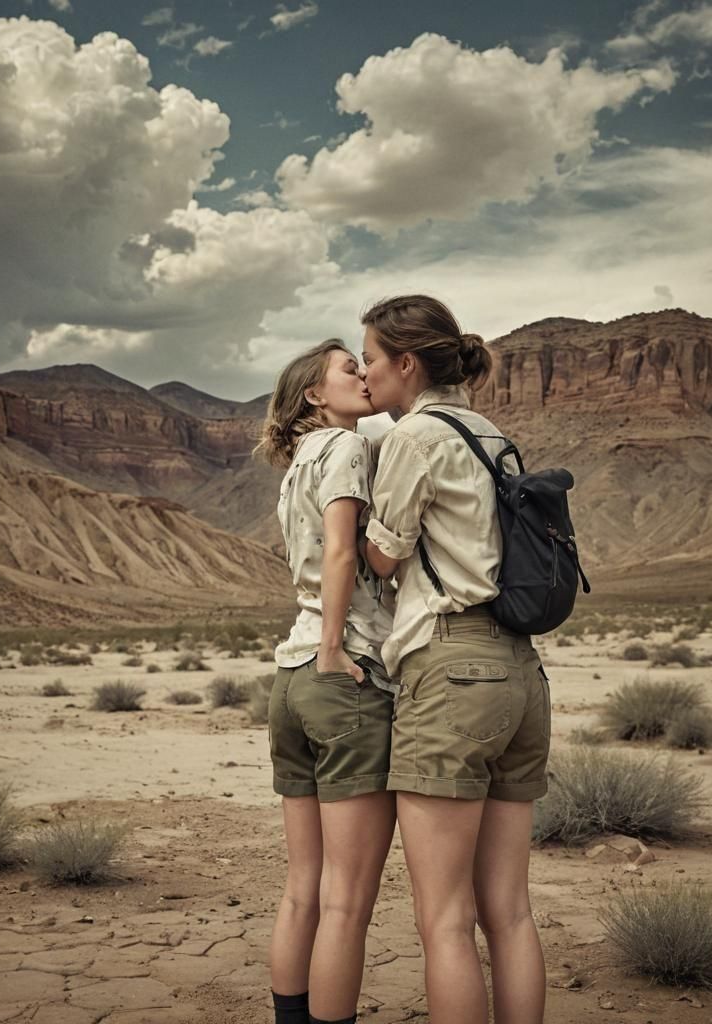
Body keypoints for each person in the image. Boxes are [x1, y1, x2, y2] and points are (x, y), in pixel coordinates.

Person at [358, 295, 550, 1024]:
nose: (368, 374)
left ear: (407, 363)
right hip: (522, 675)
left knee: (444, 919)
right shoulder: (489, 433)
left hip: (451, 669)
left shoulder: (414, 438)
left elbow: (383, 553)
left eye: (371, 358)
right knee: (510, 913)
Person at [254, 338, 398, 1024]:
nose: (364, 376)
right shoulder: (345, 449)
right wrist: (339, 647)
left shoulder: (295, 466)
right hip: (341, 675)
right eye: (350, 368)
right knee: (347, 901)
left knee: (303, 888)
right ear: (316, 394)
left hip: (291, 679)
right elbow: (342, 550)